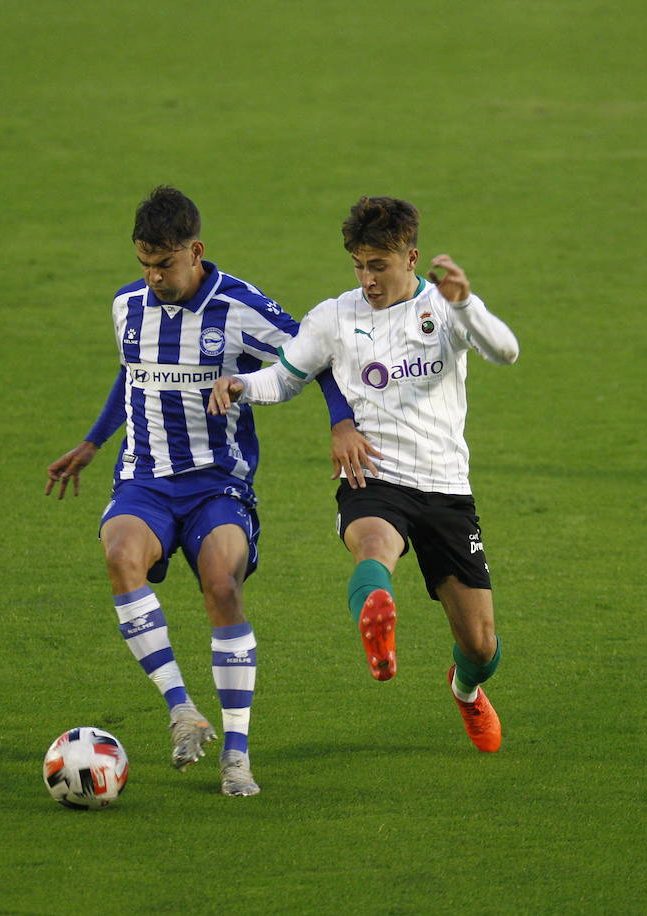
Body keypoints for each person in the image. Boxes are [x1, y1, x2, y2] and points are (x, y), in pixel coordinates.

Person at [46, 186, 363, 796]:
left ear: (196, 250)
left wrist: (340, 421)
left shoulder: (240, 307)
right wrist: (91, 442)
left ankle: (236, 756)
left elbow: (312, 358)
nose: (153, 276)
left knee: (221, 583)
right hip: (144, 479)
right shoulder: (126, 306)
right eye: (144, 263)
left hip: (220, 484)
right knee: (119, 555)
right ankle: (181, 710)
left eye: (164, 263)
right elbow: (131, 374)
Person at [209, 196, 520, 753]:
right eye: (358, 264)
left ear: (412, 258)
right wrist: (242, 387)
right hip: (374, 478)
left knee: (479, 644)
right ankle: (377, 620)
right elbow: (285, 376)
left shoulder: (445, 308)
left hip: (447, 490)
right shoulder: (335, 317)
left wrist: (467, 303)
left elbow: (507, 351)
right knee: (374, 544)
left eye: (379, 265)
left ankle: (466, 690)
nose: (367, 279)